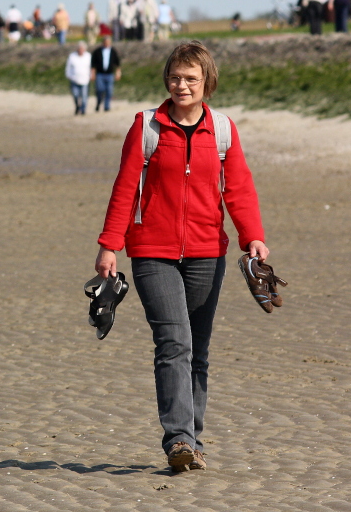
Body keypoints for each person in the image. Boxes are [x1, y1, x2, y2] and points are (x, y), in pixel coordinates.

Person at [94, 41, 268, 472]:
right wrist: (109, 244)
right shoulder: (147, 127)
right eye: (175, 77)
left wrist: (253, 238)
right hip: (152, 251)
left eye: (191, 78)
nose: (182, 85)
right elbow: (124, 187)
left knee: (198, 350)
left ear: (207, 81)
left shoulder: (223, 130)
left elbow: (239, 188)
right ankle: (178, 441)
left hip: (208, 252)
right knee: (174, 342)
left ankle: (194, 439)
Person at [90, 34, 121, 112]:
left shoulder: (113, 51)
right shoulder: (97, 51)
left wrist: (118, 73)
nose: (107, 43)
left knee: (109, 91)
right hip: (100, 74)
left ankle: (106, 106)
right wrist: (93, 73)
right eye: (105, 42)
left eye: (108, 42)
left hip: (110, 74)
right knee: (100, 89)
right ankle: (99, 101)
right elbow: (93, 64)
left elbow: (117, 63)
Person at [66, 41, 92, 115]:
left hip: (85, 80)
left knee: (84, 97)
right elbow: (68, 68)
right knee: (75, 95)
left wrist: (91, 76)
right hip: (74, 79)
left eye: (82, 49)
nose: (81, 50)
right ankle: (77, 106)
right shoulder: (72, 56)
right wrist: (69, 76)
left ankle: (83, 110)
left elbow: (91, 68)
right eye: (79, 49)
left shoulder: (88, 56)